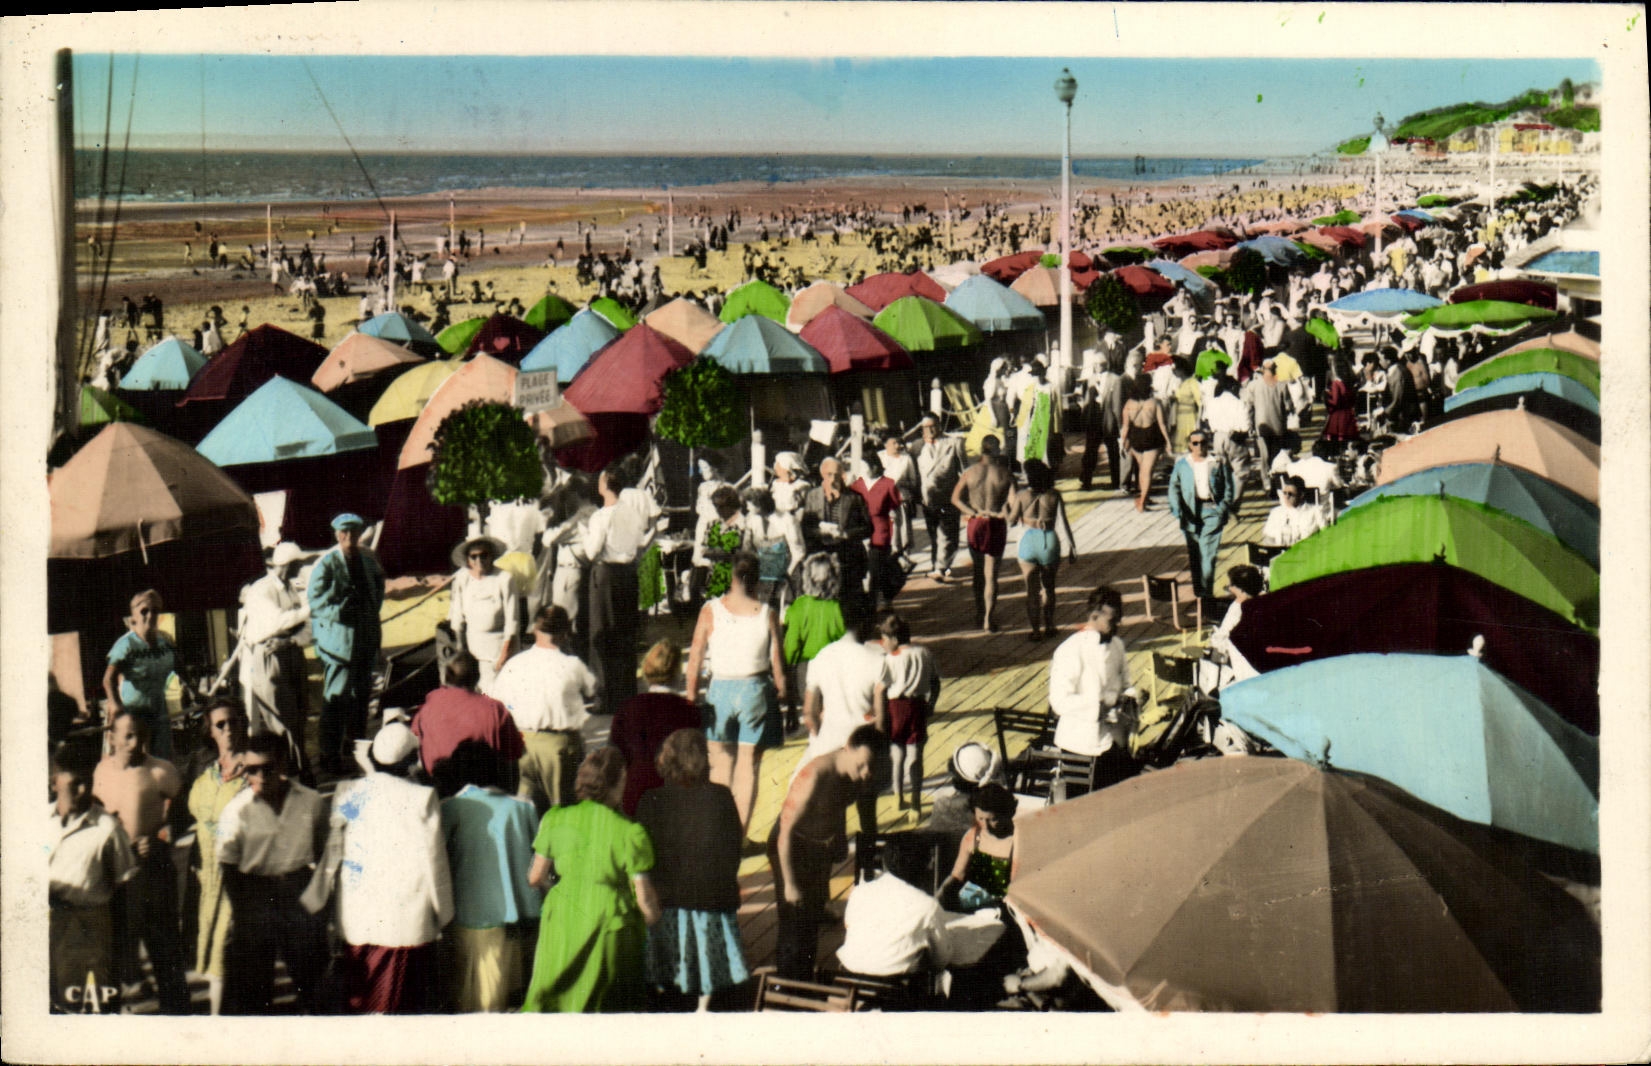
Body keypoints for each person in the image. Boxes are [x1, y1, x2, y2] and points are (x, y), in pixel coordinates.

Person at [521, 747, 663, 1013]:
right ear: (618, 782)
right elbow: (644, 898)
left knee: (555, 994)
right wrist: (654, 922)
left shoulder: (555, 818)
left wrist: (561, 891)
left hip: (563, 913)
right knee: (605, 1004)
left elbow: (535, 877)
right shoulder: (631, 832)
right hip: (609, 919)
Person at [326, 722, 455, 1014]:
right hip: (404, 920)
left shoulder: (348, 791)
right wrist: (444, 913)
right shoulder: (421, 797)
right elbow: (434, 860)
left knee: (361, 1002)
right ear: (411, 760)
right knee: (396, 1007)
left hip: (358, 917)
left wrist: (328, 907)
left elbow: (333, 850)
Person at [636, 729, 750, 1011]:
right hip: (712, 900)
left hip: (666, 903)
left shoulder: (650, 800)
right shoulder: (721, 796)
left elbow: (643, 859)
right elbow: (735, 848)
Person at [216, 733, 331, 1014]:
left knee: (313, 982)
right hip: (256, 895)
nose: (259, 776)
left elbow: (323, 851)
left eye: (267, 768)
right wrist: (245, 912)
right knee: (254, 991)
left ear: (282, 764)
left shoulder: (311, 802)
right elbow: (227, 866)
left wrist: (318, 905)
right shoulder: (236, 811)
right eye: (251, 769)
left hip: (298, 892)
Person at [767, 724, 891, 979]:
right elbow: (785, 832)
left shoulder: (858, 776)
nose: (866, 773)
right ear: (848, 749)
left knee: (812, 915)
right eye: (861, 765)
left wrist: (838, 837)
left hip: (819, 847)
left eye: (872, 767)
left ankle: (804, 978)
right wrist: (790, 883)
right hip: (791, 846)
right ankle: (787, 985)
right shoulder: (815, 775)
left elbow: (838, 805)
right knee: (794, 919)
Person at [436, 740, 543, 1012]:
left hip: (461, 915)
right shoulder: (524, 807)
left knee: (462, 991)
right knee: (500, 996)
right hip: (512, 916)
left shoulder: (450, 807)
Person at [93, 709, 188, 1013]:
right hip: (116, 875)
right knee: (120, 950)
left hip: (153, 870)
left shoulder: (161, 771)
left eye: (141, 736)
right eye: (128, 736)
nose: (135, 744)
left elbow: (184, 818)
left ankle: (180, 1019)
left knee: (166, 951)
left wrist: (160, 838)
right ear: (112, 737)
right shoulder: (102, 772)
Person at [686, 553, 788, 836]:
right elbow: (777, 662)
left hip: (720, 689)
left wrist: (690, 696)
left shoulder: (710, 610)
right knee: (747, 767)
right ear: (757, 581)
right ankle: (739, 834)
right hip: (755, 689)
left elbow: (695, 658)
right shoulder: (767, 613)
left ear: (731, 577)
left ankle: (716, 830)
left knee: (721, 765)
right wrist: (784, 693)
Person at [49, 734, 138, 1014]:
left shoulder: (108, 829)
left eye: (88, 781)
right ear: (55, 783)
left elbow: (126, 892)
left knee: (92, 1009)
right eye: (74, 784)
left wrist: (124, 954)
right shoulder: (37, 821)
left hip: (91, 929)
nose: (84, 789)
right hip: (47, 927)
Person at [490, 606, 595, 816]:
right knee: (562, 812)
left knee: (525, 811)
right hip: (558, 747)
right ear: (565, 634)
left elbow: (496, 702)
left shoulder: (515, 663)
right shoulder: (572, 664)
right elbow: (592, 689)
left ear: (536, 630)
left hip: (522, 744)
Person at [307, 513, 386, 775]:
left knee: (361, 698)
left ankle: (355, 750)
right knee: (335, 699)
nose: (349, 539)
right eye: (344, 534)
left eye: (354, 534)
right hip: (339, 646)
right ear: (337, 535)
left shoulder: (368, 561)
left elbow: (379, 589)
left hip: (364, 641)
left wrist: (369, 614)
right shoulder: (326, 565)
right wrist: (340, 610)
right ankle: (328, 754)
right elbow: (315, 603)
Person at [187, 698, 250, 1015]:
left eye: (233, 722)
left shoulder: (256, 766)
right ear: (210, 731)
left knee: (225, 948)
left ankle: (217, 1019)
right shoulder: (203, 767)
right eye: (220, 725)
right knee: (214, 945)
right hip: (206, 874)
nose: (227, 729)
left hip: (239, 874)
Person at [1048, 586, 1134, 791]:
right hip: (1079, 745)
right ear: (1094, 615)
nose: (1117, 626)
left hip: (1113, 741)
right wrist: (1098, 708)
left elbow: (1127, 684)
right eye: (1112, 621)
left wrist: (1130, 699)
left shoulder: (1117, 646)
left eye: (1118, 619)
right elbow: (1059, 701)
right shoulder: (1070, 649)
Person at [238, 542, 311, 768]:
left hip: (291, 651)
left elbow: (308, 628)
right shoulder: (261, 590)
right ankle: (290, 768)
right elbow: (278, 621)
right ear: (287, 565)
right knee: (280, 718)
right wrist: (310, 609)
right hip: (269, 657)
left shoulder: (291, 589)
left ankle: (299, 766)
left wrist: (291, 638)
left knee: (300, 713)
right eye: (297, 564)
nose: (300, 568)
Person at [611, 641, 703, 818]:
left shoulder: (627, 707)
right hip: (675, 794)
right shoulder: (688, 710)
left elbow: (616, 753)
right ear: (677, 673)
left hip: (635, 792)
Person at [410, 651, 525, 790]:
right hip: (485, 792)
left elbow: (415, 738)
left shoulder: (427, 708)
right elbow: (514, 754)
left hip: (440, 790)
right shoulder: (495, 709)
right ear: (477, 677)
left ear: (446, 677)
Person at [584, 464, 647, 718]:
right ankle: (626, 692)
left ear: (604, 485)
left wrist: (584, 535)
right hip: (628, 573)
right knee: (625, 633)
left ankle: (605, 696)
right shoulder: (632, 513)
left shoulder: (602, 516)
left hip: (607, 573)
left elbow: (591, 552)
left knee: (602, 633)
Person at [871, 611, 940, 816]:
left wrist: (878, 715)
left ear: (894, 638)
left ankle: (898, 796)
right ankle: (916, 803)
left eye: (884, 639)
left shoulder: (890, 659)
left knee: (897, 756)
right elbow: (935, 683)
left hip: (895, 709)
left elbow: (881, 688)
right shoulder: (924, 653)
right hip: (917, 706)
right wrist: (931, 705)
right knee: (916, 757)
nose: (882, 643)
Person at [1005, 458, 1078, 642]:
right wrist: (1072, 546)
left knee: (1032, 590)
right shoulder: (1054, 495)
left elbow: (1011, 521)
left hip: (1028, 541)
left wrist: (1006, 507)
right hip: (1049, 541)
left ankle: (1035, 630)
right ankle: (1050, 625)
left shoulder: (1022, 496)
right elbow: (1065, 522)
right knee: (1049, 589)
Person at [102, 589, 178, 761]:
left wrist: (196, 693)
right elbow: (108, 680)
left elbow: (179, 668)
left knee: (162, 760)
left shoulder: (165, 642)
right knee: (138, 762)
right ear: (133, 617)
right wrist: (115, 706)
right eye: (144, 611)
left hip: (159, 712)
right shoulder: (126, 644)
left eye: (155, 610)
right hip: (133, 714)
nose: (150, 615)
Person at [951, 435, 1013, 632]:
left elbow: (955, 499)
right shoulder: (1005, 474)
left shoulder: (970, 473)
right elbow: (1012, 504)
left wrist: (973, 512)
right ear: (997, 450)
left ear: (981, 450)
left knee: (978, 572)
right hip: (995, 523)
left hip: (976, 524)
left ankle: (979, 612)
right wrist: (1000, 513)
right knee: (991, 575)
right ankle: (988, 618)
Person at [1167, 429, 1237, 603]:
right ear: (1190, 445)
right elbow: (1173, 488)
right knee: (1194, 553)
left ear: (1208, 443)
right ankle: (1199, 593)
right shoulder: (1183, 464)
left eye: (1203, 442)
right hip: (1190, 513)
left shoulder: (1217, 462)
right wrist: (1178, 511)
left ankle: (1206, 596)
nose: (1199, 446)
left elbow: (1229, 487)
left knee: (1208, 553)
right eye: (1195, 443)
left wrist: (1222, 508)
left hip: (1212, 511)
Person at [801, 456, 872, 618]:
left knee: (851, 601)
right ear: (822, 475)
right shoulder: (812, 496)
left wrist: (847, 533)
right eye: (829, 475)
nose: (833, 479)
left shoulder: (854, 497)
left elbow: (868, 528)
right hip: (822, 554)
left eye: (837, 475)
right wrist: (819, 532)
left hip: (848, 555)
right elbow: (806, 528)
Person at [447, 534, 520, 693]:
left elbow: (512, 623)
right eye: (474, 556)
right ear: (467, 560)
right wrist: (461, 652)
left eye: (483, 555)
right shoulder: (462, 579)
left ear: (491, 556)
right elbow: (457, 617)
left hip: (500, 649)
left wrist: (504, 655)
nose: (479, 560)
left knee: (499, 695)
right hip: (474, 651)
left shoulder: (504, 579)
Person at [936, 784, 1018, 912]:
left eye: (992, 819)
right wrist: (937, 898)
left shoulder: (1016, 840)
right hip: (972, 900)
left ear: (1006, 814)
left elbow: (1019, 888)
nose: (985, 825)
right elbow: (957, 875)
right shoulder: (973, 837)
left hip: (1005, 905)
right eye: (980, 818)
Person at [1200, 564, 1264, 693]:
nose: (1229, 588)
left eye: (1232, 585)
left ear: (1241, 590)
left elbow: (1223, 639)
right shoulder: (1266, 601)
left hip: (1241, 666)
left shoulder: (1237, 609)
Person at [852, 452, 905, 609]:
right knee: (862, 568)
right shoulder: (857, 485)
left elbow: (897, 512)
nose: (863, 470)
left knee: (876, 569)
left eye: (865, 466)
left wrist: (898, 539)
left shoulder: (888, 484)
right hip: (860, 530)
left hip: (880, 531)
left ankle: (874, 602)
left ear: (874, 466)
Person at [914, 417, 964, 579]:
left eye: (932, 426)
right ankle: (939, 565)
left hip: (949, 497)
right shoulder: (917, 447)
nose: (928, 430)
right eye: (924, 427)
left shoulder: (954, 443)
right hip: (928, 499)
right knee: (934, 535)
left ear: (939, 426)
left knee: (948, 534)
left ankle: (941, 568)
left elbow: (964, 472)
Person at [1120, 375, 1170, 512]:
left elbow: (1125, 427)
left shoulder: (1129, 404)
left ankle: (1145, 497)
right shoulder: (1155, 403)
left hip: (1135, 438)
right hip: (1151, 437)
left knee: (1143, 469)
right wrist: (1168, 442)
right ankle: (1142, 501)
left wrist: (1123, 443)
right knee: (1147, 471)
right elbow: (1162, 425)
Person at [1079, 357, 1125, 492]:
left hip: (1109, 421)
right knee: (1090, 452)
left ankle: (1116, 482)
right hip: (1094, 421)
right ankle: (1086, 482)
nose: (1097, 366)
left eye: (1099, 364)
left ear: (1106, 364)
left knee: (1113, 452)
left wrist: (1120, 424)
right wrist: (1085, 419)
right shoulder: (1091, 379)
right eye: (1095, 364)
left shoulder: (1115, 379)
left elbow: (1117, 404)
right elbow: (1087, 401)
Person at [880, 431, 920, 565]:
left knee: (903, 532)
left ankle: (905, 558)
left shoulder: (906, 459)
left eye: (898, 442)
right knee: (890, 533)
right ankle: (893, 561)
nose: (897, 445)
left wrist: (902, 485)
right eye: (893, 443)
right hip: (884, 501)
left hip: (901, 499)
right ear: (885, 445)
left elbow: (913, 480)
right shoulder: (880, 458)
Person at [1261, 475, 1326, 548]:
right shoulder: (1276, 512)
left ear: (1301, 495)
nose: (1286, 497)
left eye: (1290, 494)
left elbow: (1326, 537)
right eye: (1284, 493)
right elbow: (1267, 538)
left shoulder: (1315, 511)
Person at [1322, 354, 1361, 443]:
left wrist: (1326, 399)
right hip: (1348, 414)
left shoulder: (1336, 384)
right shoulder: (1349, 381)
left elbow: (1335, 402)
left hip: (1337, 416)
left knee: (1337, 440)